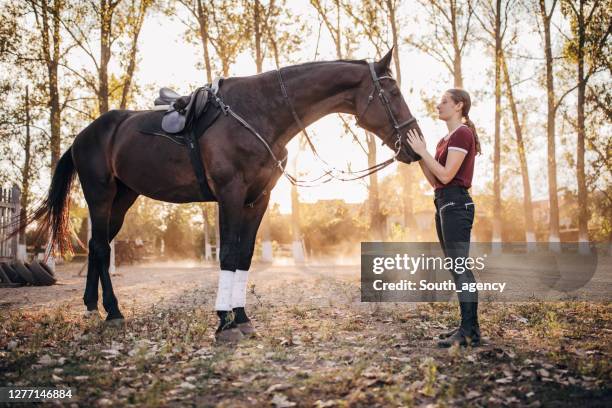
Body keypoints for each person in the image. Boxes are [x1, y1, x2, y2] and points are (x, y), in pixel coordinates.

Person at [406, 88, 482, 347]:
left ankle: (469, 331)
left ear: (459, 106)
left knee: (460, 267)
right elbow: (435, 180)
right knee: (455, 267)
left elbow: (448, 175)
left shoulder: (463, 133)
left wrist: (424, 152)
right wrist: (419, 156)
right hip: (442, 203)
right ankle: (469, 327)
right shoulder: (442, 141)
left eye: (444, 101)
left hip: (457, 204)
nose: (438, 105)